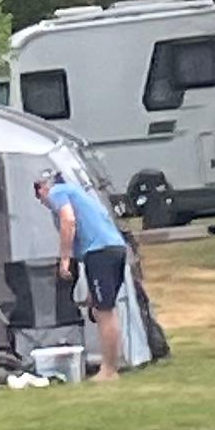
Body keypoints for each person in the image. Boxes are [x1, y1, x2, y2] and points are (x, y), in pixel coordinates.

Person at [41, 162, 136, 377]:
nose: (42, 200)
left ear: (44, 187)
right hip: (114, 249)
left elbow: (68, 220)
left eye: (39, 193)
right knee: (101, 308)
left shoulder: (58, 192)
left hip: (100, 252)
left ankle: (109, 371)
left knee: (104, 312)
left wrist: (64, 259)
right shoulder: (80, 193)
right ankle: (112, 364)